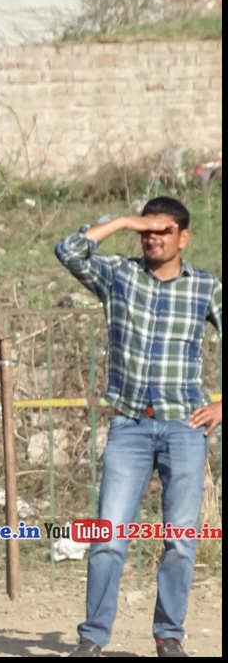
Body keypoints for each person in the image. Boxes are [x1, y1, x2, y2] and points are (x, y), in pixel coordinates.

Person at [56, 197, 221, 658]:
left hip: (184, 426)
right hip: (129, 424)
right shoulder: (119, 275)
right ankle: (92, 638)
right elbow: (68, 251)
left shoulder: (205, 287)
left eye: (163, 230)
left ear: (184, 237)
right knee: (108, 537)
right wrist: (124, 221)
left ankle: (169, 636)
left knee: (180, 541)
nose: (152, 238)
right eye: (146, 231)